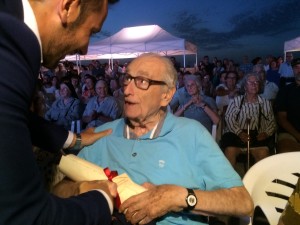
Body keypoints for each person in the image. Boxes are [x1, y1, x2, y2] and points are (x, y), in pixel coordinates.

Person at [53, 53, 253, 225]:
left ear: (166, 95)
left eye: (142, 82)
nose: (128, 90)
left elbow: (242, 202)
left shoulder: (192, 133)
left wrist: (179, 197)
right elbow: (59, 190)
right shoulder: (103, 134)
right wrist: (82, 188)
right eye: (127, 79)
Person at [0, 0, 120, 224]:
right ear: (69, 7)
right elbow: (26, 215)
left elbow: (14, 115)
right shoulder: (10, 41)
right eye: (91, 32)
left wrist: (73, 139)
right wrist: (103, 198)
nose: (85, 49)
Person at [221, 73, 277, 168]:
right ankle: (230, 182)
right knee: (230, 151)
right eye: (250, 82)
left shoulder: (265, 103)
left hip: (258, 138)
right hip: (236, 137)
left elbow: (272, 122)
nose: (254, 84)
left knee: (263, 153)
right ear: (245, 86)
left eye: (256, 82)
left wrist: (266, 133)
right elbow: (229, 118)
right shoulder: (236, 101)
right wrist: (239, 133)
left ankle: (259, 181)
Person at [274, 58, 300, 153]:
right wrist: (298, 136)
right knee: (287, 152)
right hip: (289, 133)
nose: (299, 70)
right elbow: (281, 118)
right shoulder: (284, 91)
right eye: (296, 67)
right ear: (293, 70)